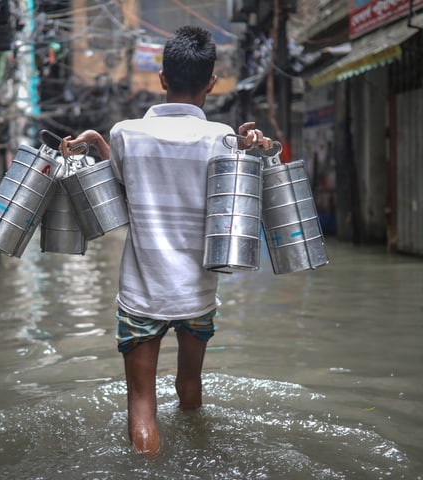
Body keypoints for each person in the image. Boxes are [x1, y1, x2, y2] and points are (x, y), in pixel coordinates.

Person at [60, 25, 273, 457]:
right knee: (189, 388)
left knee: (141, 406)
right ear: (211, 83)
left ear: (161, 79)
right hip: (198, 293)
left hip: (142, 293)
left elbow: (121, 184)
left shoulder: (124, 134)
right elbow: (246, 196)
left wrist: (98, 143)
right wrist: (255, 148)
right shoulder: (223, 138)